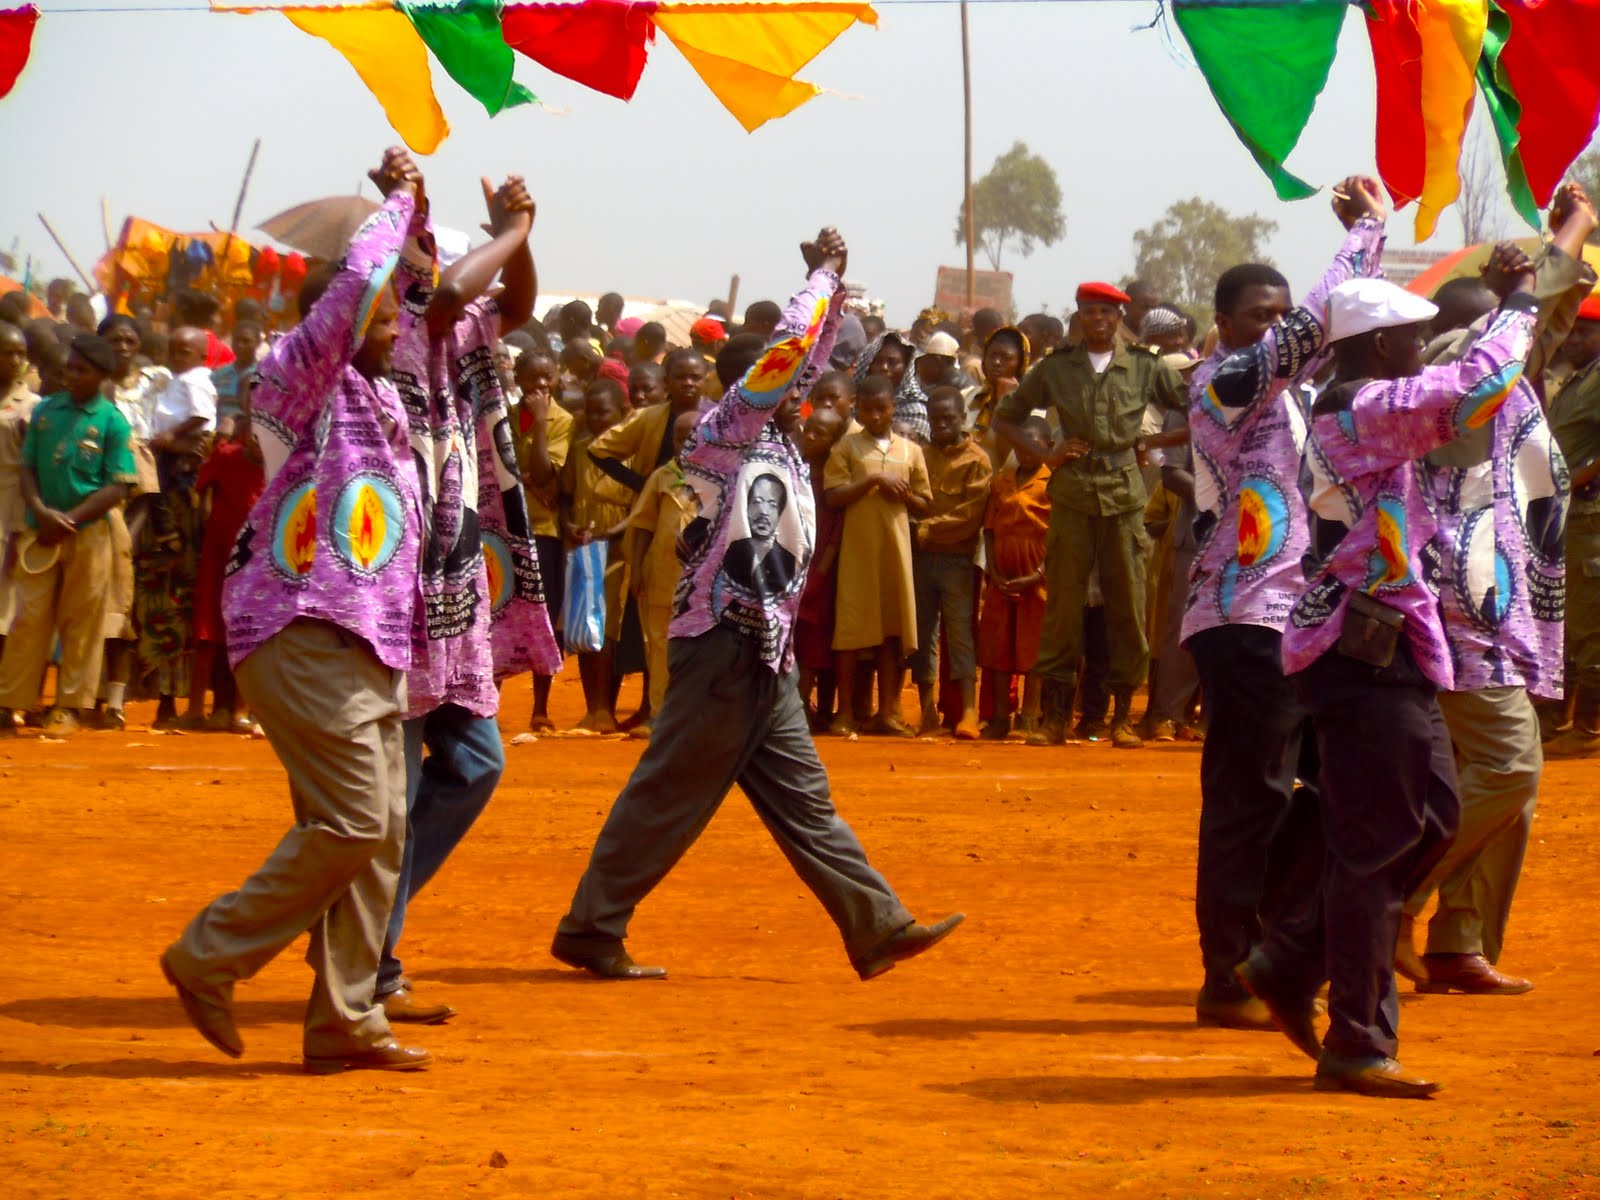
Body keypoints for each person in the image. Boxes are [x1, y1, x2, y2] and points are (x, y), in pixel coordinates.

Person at [550, 227, 963, 982]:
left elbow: (810, 356)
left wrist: (831, 294)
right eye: (797, 381)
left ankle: (876, 925)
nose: (812, 394)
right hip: (722, 646)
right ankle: (591, 925)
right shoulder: (727, 429)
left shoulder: (776, 442)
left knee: (804, 802)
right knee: (666, 795)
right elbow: (789, 357)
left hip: (762, 653)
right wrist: (821, 281)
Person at [160, 147, 433, 1075]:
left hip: (368, 641)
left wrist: (416, 216)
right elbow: (360, 287)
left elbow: (416, 294)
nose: (395, 328)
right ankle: (209, 954)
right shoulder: (297, 371)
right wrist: (392, 207)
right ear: (344, 318)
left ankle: (346, 1019)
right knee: (354, 823)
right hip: (302, 627)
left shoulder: (380, 392)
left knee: (380, 838)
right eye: (384, 318)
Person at [1247, 254, 1540, 1100]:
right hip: (1362, 651)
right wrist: (1524, 299)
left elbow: (1462, 384)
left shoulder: (1360, 402)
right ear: (1380, 348)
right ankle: (1357, 1039)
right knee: (1380, 842)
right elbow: (1477, 387)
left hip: (1386, 646)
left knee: (1432, 819)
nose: (1424, 352)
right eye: (1414, 339)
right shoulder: (1364, 408)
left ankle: (1294, 956)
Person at [1181, 177, 1386, 1033]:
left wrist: (1369, 247)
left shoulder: (1296, 397)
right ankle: (1228, 973)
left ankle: (1272, 947)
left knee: (1318, 789)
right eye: (1255, 316)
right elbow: (1313, 326)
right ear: (1223, 325)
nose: (1272, 326)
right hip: (1243, 618)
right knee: (1250, 796)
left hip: (1298, 617)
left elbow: (1344, 331)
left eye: (1277, 313)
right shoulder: (1224, 383)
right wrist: (1363, 234)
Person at [1393, 185, 1597, 996]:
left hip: (1495, 605)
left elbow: (1539, 324)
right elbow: (1516, 330)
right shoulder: (1454, 377)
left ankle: (1458, 939)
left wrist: (1554, 256)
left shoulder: (1502, 384)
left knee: (1504, 780)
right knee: (1511, 768)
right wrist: (1574, 229)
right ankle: (1391, 898)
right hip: (1460, 606)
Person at [376, 172, 560, 1026]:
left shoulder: (460, 326)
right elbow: (453, 292)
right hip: (399, 598)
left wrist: (522, 237)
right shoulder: (398, 325)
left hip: (453, 591)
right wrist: (512, 227)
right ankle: (368, 959)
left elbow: (511, 301)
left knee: (475, 765)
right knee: (385, 795)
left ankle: (355, 928)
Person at [992, 282, 1188, 749]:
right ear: (1079, 315)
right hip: (1073, 491)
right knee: (1063, 604)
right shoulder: (1057, 367)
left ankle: (1121, 716)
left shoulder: (1144, 365)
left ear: (1119, 317)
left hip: (1123, 492)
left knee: (1128, 603)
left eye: (1106, 312)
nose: (1098, 319)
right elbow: (1005, 417)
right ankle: (1055, 717)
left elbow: (1197, 411)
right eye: (1089, 312)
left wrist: (1152, 442)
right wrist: (1046, 454)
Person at [0, 334, 133, 737]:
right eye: (69, 367)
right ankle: (9, 702)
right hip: (41, 529)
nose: (71, 375)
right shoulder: (45, 411)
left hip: (89, 532)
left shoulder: (112, 421)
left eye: (81, 370)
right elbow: (27, 468)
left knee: (81, 620)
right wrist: (41, 513)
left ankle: (69, 706)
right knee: (28, 617)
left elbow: (118, 485)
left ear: (102, 375)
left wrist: (70, 519)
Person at [826, 374, 932, 735]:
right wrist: (873, 480)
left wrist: (904, 494)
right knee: (850, 630)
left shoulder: (910, 450)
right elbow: (832, 496)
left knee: (891, 632)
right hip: (857, 552)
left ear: (893, 408)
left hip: (895, 552)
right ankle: (844, 712)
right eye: (867, 409)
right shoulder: (847, 447)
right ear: (858, 409)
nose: (874, 416)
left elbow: (925, 504)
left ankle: (887, 712)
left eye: (881, 409)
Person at [909, 386, 991, 737]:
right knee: (922, 632)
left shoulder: (977, 460)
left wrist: (927, 528)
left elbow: (970, 515)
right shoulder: (921, 455)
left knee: (960, 634)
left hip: (957, 560)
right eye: (936, 418)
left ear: (962, 418)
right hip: (921, 558)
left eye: (949, 418)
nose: (942, 424)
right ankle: (927, 708)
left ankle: (968, 711)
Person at [182, 415, 266, 731]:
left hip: (253, 562)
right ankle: (194, 710)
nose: (257, 441)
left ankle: (240, 711)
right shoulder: (226, 456)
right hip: (217, 557)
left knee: (247, 633)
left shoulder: (279, 466)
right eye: (253, 434)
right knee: (206, 631)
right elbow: (202, 487)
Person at [560, 377, 633, 732]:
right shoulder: (580, 450)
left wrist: (615, 532)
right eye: (591, 413)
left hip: (619, 548)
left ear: (622, 412)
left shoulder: (634, 453)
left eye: (604, 412)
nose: (597, 419)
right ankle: (592, 707)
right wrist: (568, 525)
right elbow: (565, 496)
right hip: (584, 548)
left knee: (609, 628)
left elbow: (642, 505)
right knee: (582, 625)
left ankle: (607, 706)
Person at [623, 409, 701, 740]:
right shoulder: (661, 477)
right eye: (679, 438)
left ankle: (695, 716)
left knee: (698, 648)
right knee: (658, 646)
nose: (686, 443)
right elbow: (643, 525)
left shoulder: (718, 476)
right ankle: (660, 714)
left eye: (693, 436)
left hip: (701, 583)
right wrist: (637, 568)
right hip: (662, 576)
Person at [1547, 292, 1600, 756]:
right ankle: (1561, 720)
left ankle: (1589, 731)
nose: (1574, 340)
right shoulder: (1575, 380)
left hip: (1590, 516)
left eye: (1586, 333)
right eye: (1572, 331)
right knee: (1566, 621)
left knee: (1588, 624)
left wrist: (1579, 477)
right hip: (1568, 516)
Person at [512, 349, 574, 733]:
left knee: (546, 618)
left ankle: (540, 706)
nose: (539, 384)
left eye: (546, 377)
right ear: (517, 379)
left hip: (544, 530)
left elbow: (543, 472)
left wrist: (538, 424)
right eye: (532, 377)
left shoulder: (562, 421)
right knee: (500, 612)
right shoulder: (503, 416)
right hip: (506, 528)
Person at [978, 416, 1051, 739]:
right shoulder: (1001, 482)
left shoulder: (1053, 483)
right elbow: (989, 531)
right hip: (1002, 576)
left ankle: (1029, 717)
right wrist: (994, 572)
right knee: (998, 646)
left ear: (1049, 446)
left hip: (1037, 576)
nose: (1025, 451)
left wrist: (1037, 574)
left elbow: (1059, 536)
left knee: (1032, 647)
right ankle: (999, 717)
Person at [795, 405, 848, 729]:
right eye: (808, 428)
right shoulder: (793, 470)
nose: (811, 436)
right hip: (790, 567)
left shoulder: (835, 480)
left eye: (820, 433)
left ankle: (806, 706)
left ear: (834, 441)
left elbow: (836, 533)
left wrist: (820, 574)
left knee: (814, 641)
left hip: (820, 573)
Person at [0, 321, 38, 648]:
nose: (15, 360)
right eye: (7, 353)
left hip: (11, 502)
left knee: (5, 592)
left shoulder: (32, 406)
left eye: (20, 354)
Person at [963, 326, 1028, 470]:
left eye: (1006, 358)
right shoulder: (968, 396)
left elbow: (1010, 459)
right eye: (992, 356)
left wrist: (1005, 404)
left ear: (1020, 364)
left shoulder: (1029, 407)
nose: (997, 362)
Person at [855, 331, 929, 443]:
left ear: (906, 366)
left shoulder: (916, 410)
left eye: (892, 362)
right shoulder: (854, 401)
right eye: (878, 361)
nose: (884, 367)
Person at [212, 320, 264, 432]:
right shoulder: (219, 374)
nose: (240, 345)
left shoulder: (262, 375)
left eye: (246, 341)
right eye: (237, 340)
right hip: (217, 433)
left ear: (258, 343)